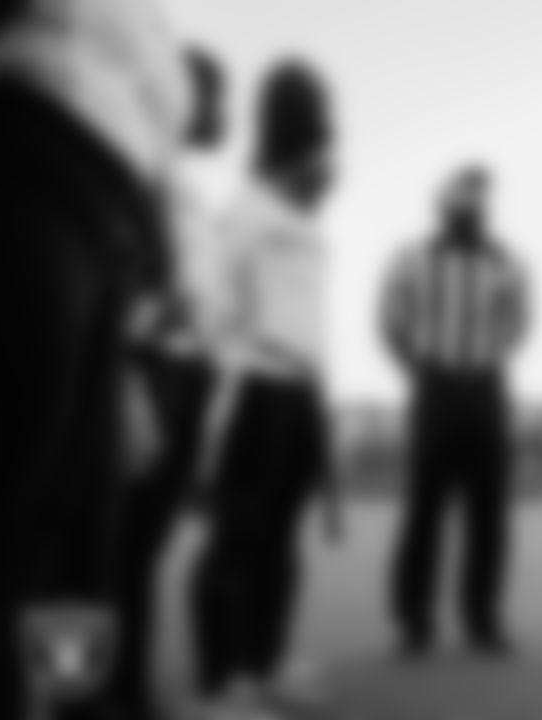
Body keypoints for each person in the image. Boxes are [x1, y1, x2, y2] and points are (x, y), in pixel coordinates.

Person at [0, 1, 190, 718]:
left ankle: (72, 706)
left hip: (106, 230)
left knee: (76, 549)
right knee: (10, 528)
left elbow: (153, 140)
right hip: (29, 174)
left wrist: (128, 347)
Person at [189, 58, 342, 720]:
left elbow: (307, 311)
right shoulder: (247, 205)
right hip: (254, 388)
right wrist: (240, 359)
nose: (332, 140)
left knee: (281, 541)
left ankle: (264, 665)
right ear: (292, 125)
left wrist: (319, 389)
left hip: (303, 392)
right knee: (236, 542)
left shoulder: (304, 214)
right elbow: (218, 302)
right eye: (319, 117)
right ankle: (221, 688)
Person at [108, 45, 230, 720]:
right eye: (215, 95)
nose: (223, 113)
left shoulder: (180, 180)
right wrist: (126, 366)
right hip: (137, 366)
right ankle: (79, 698)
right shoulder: (127, 160)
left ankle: (127, 694)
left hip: (185, 372)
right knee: (96, 556)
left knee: (139, 552)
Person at [381, 166, 531, 659]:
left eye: (480, 197)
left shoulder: (507, 260)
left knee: (489, 514)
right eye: (462, 195)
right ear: (442, 201)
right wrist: (419, 368)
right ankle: (413, 620)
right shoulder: (411, 257)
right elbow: (389, 318)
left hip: (486, 388)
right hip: (434, 387)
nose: (471, 205)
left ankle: (482, 618)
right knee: (424, 510)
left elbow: (520, 320)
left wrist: (488, 358)